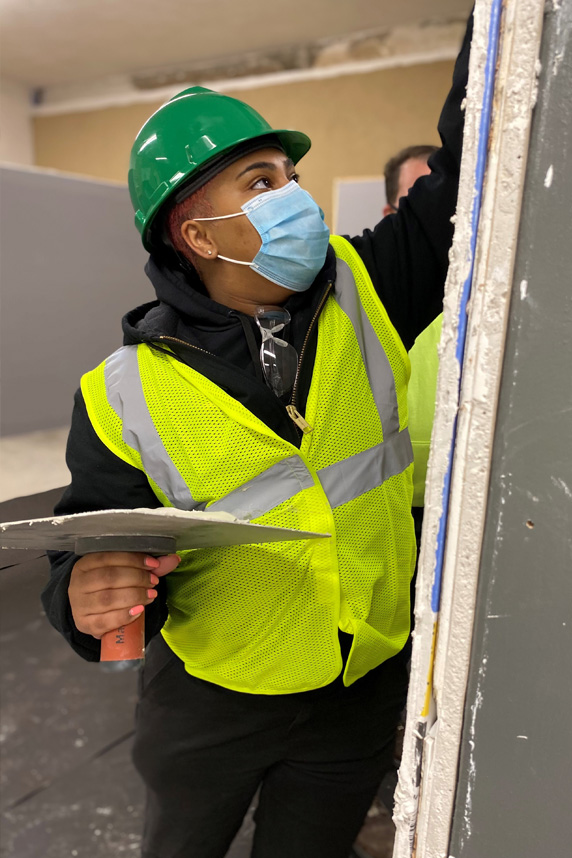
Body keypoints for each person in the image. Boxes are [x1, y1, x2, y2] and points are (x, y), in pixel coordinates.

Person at [42, 17, 472, 858]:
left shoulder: (370, 284)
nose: (294, 195)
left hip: (360, 682)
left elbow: (465, 177)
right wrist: (81, 598)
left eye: (291, 174)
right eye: (261, 179)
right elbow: (89, 550)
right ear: (197, 237)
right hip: (214, 700)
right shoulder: (120, 393)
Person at [384, 144, 442, 550]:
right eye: (422, 199)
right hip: (395, 507)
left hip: (471, 497)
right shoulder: (374, 292)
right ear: (392, 216)